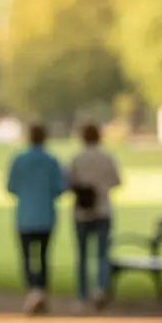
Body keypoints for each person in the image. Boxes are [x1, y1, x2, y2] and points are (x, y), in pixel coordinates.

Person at [6, 123, 65, 313]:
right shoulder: (52, 161)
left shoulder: (19, 160)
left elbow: (11, 187)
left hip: (25, 216)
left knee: (27, 257)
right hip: (46, 215)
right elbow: (60, 188)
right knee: (44, 256)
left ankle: (32, 290)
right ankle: (41, 291)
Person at [65, 123, 122, 310]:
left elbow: (67, 182)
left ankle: (82, 295)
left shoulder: (77, 158)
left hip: (81, 212)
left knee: (82, 254)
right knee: (102, 253)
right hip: (103, 210)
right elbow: (117, 181)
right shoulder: (107, 157)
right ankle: (100, 289)